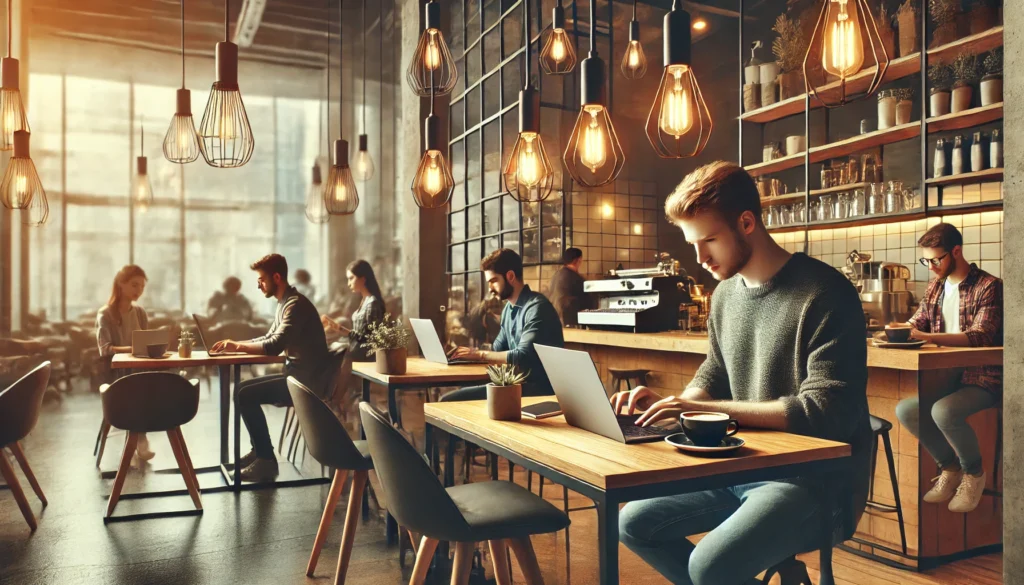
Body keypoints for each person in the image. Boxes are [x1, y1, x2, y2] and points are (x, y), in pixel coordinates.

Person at [610, 161, 871, 585]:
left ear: (747, 222)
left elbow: (827, 411)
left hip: (814, 481)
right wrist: (676, 404)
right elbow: (715, 371)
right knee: (633, 524)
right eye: (693, 243)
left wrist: (712, 411)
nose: (699, 258)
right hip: (737, 467)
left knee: (709, 567)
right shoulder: (726, 294)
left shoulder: (825, 293)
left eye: (709, 240)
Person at [895, 223, 1002, 514]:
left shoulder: (989, 286)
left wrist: (929, 337)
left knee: (943, 411)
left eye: (936, 259)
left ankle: (974, 475)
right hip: (946, 376)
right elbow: (916, 323)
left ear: (956, 251)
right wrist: (894, 332)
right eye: (925, 260)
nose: (930, 266)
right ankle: (950, 469)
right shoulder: (936, 286)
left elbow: (982, 336)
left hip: (984, 377)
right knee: (907, 410)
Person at [212, 254, 331, 482]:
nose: (258, 284)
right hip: (296, 377)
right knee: (242, 390)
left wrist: (237, 345)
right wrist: (235, 346)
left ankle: (266, 460)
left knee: (244, 393)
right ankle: (260, 452)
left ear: (277, 277)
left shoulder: (294, 305)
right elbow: (269, 336)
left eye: (261, 279)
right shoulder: (286, 302)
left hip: (304, 384)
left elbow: (275, 345)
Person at [444, 248, 564, 401]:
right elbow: (497, 349)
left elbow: (523, 356)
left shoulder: (537, 307)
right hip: (516, 384)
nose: (490, 288)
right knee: (458, 395)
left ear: (510, 276)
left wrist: (479, 354)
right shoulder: (508, 308)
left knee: (449, 401)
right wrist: (465, 354)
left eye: (493, 281)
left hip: (540, 390)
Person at [96, 265, 156, 463]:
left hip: (137, 371)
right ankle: (141, 439)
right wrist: (133, 349)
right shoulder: (105, 314)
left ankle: (139, 438)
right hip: (115, 375)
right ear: (121, 284)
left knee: (153, 383)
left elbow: (145, 345)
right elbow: (105, 349)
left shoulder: (140, 313)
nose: (138, 290)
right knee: (139, 389)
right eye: (134, 285)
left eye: (141, 287)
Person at [321, 260, 386, 407]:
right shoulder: (365, 300)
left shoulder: (373, 303)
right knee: (333, 350)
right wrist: (336, 327)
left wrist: (341, 330)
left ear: (363, 279)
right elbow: (359, 335)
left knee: (345, 354)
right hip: (357, 348)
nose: (349, 283)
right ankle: (332, 399)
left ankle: (334, 401)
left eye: (351, 278)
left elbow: (370, 338)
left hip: (367, 353)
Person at [548, 247, 591, 327]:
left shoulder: (557, 274)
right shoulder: (574, 277)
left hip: (555, 316)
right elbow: (587, 298)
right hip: (568, 319)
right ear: (578, 260)